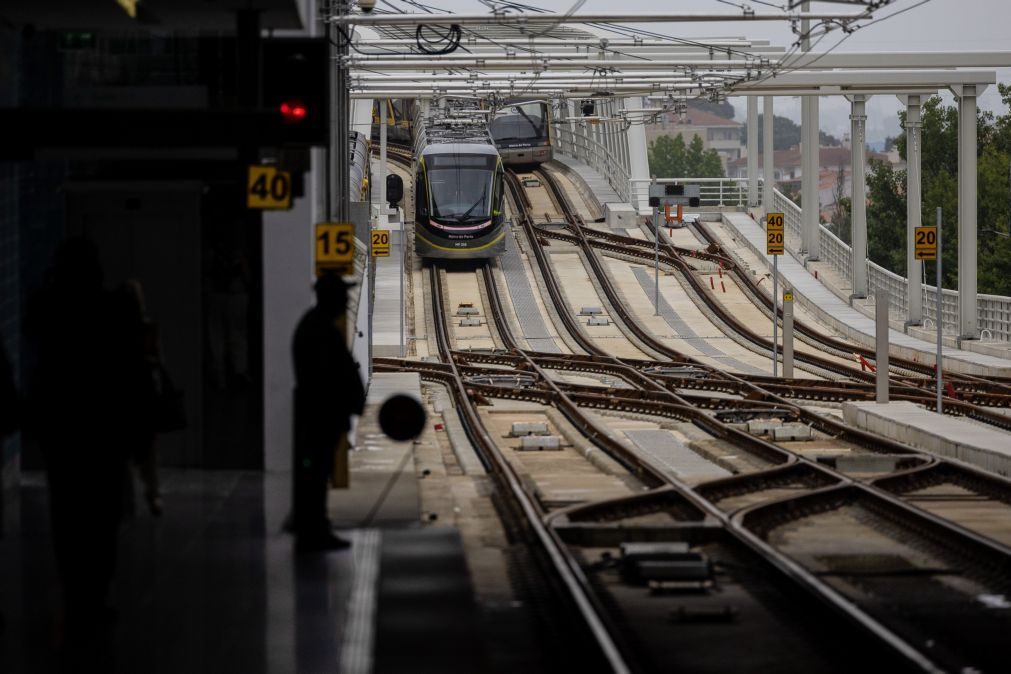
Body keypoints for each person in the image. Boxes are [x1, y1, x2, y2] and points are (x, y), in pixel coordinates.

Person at [23, 237, 152, 630]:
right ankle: (95, 595)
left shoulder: (50, 308)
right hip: (105, 427)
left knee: (67, 514)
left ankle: (75, 594)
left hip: (62, 428)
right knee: (102, 516)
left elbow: (32, 325)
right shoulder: (115, 308)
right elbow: (134, 364)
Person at [291, 272, 366, 553]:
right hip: (321, 418)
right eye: (342, 295)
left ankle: (316, 528)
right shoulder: (319, 329)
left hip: (323, 417)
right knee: (316, 475)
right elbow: (327, 378)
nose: (347, 300)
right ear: (331, 297)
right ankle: (313, 531)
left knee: (319, 476)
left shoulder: (317, 325)